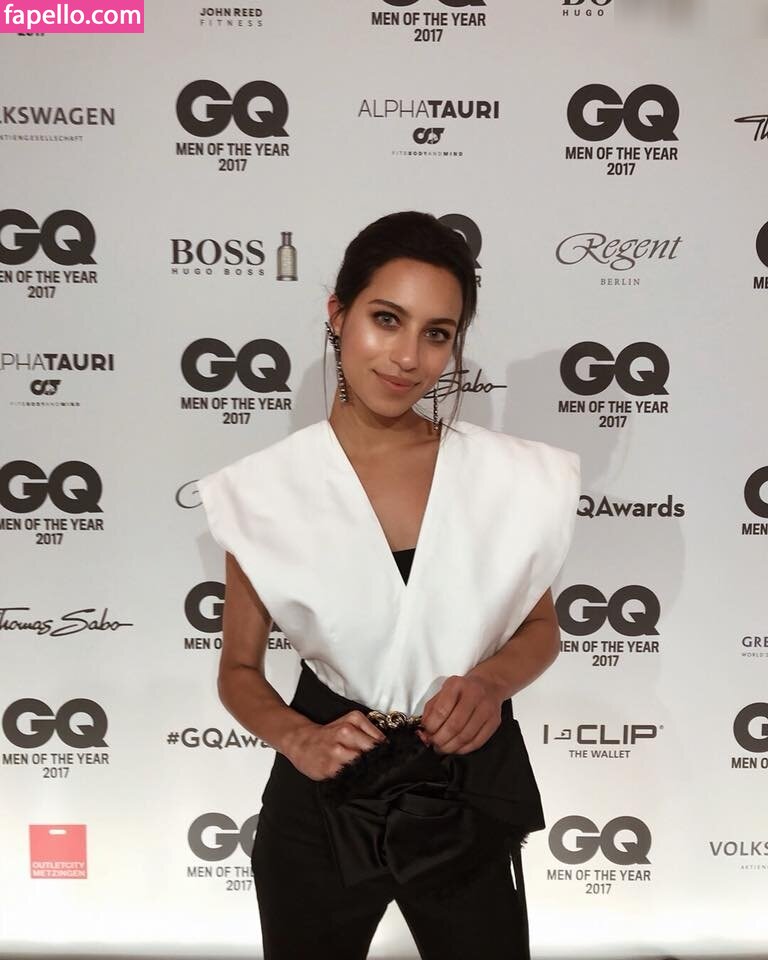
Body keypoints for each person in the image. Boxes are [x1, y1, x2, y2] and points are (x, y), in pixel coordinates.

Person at [196, 211, 581, 960]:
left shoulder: (508, 478)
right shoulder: (264, 492)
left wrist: (491, 684)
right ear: (337, 315)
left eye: (437, 333)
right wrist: (297, 737)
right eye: (386, 319)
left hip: (463, 781)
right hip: (322, 792)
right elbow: (238, 670)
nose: (408, 357)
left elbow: (541, 628)